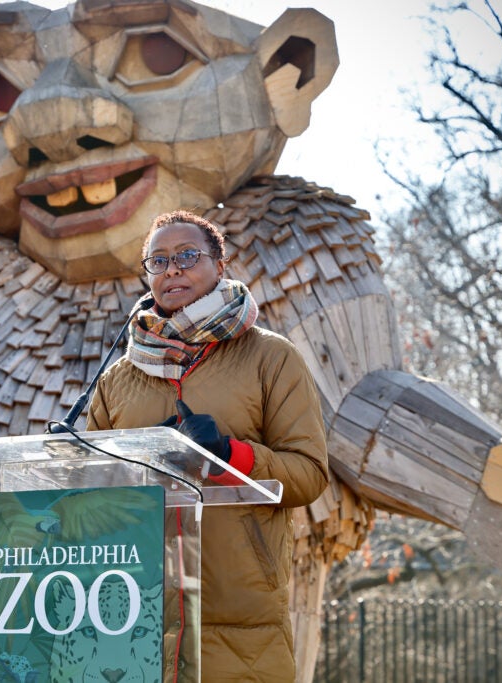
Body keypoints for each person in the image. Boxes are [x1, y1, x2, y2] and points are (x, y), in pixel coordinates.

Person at [86, 210, 330, 682]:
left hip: (241, 616)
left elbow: (309, 474)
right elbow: (91, 484)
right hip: (131, 616)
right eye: (157, 261)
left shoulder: (270, 356)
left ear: (220, 265)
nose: (171, 269)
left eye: (187, 256)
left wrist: (226, 454)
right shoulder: (118, 377)